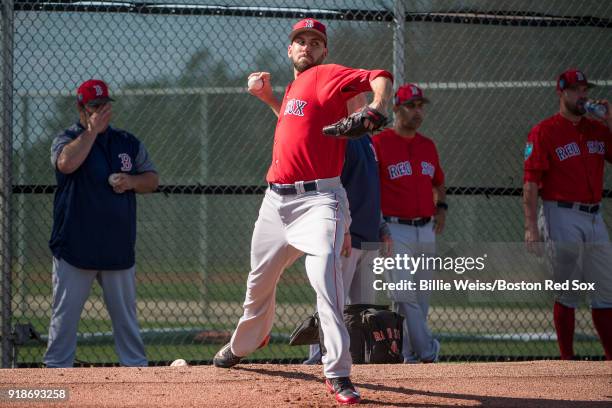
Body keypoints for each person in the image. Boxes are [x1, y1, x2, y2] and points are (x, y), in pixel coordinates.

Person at [212, 18, 393, 405]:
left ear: (324, 51)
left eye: (314, 42)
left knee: (326, 278)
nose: (307, 47)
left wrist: (378, 105)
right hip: (275, 203)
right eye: (300, 41)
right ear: (289, 50)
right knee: (257, 286)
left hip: (318, 202)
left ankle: (338, 371)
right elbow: (298, 129)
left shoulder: (328, 75)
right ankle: (245, 342)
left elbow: (380, 76)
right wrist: (270, 100)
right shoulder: (296, 87)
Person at [44, 79, 159, 368]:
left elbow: (152, 180)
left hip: (117, 249)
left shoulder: (127, 142)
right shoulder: (68, 138)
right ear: (81, 108)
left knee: (126, 323)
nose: (101, 111)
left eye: (104, 105)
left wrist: (131, 181)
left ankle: (136, 372)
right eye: (94, 106)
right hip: (75, 247)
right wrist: (92, 132)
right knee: (64, 321)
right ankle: (56, 375)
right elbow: (65, 164)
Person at [523, 68, 612, 360]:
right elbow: (531, 182)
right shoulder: (545, 131)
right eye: (575, 89)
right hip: (559, 212)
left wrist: (610, 121)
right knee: (568, 290)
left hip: (594, 214)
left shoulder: (598, 130)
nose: (582, 94)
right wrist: (531, 227)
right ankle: (568, 361)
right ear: (561, 92)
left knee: (605, 292)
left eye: (585, 89)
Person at [304, 94, 393, 365]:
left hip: (368, 237)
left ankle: (353, 359)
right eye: (360, 98)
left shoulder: (367, 140)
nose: (367, 103)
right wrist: (340, 227)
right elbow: (331, 189)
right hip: (345, 236)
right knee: (333, 301)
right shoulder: (338, 139)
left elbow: (371, 188)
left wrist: (382, 226)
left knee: (361, 309)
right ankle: (319, 356)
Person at [371, 84, 445, 363]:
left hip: (425, 228)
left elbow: (439, 182)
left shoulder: (428, 146)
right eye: (410, 106)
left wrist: (443, 208)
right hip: (393, 228)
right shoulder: (379, 144)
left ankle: (407, 355)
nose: (417, 111)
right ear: (396, 109)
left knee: (420, 299)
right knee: (402, 293)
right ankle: (429, 351)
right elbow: (369, 188)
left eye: (420, 106)